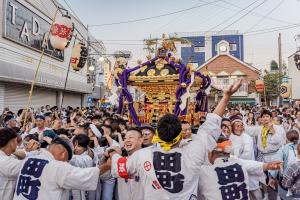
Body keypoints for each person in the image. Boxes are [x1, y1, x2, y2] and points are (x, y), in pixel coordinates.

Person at [108, 79, 243, 200]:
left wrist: (113, 154)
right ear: (180, 135)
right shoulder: (194, 151)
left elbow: (120, 169)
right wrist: (226, 96)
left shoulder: (142, 156)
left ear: (158, 135)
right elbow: (212, 123)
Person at [13, 136, 110, 200]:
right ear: (64, 154)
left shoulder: (29, 160)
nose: (66, 162)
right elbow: (85, 176)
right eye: (67, 160)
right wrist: (108, 165)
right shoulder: (57, 166)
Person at [197, 137, 281, 200]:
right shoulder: (238, 163)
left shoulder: (202, 170)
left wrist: (266, 166)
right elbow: (249, 165)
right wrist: (266, 166)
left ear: (210, 153)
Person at [269, 130, 299, 200]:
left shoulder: (283, 149)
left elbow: (277, 163)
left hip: (286, 178)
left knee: (285, 196)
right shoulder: (299, 147)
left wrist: (271, 176)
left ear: (287, 138)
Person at [116, 128, 144, 200]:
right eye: (125, 138)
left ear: (141, 140)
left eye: (131, 137)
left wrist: (112, 154)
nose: (127, 140)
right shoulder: (120, 159)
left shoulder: (149, 158)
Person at [0, 128, 23, 200]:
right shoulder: (4, 161)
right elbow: (27, 165)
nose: (17, 144)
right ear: (11, 143)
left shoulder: (7, 155)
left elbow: (24, 154)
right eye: (16, 141)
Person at [70, 134, 94, 200]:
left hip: (84, 190)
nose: (75, 148)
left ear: (85, 147)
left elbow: (72, 159)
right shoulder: (76, 155)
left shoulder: (87, 158)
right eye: (74, 145)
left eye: (79, 146)